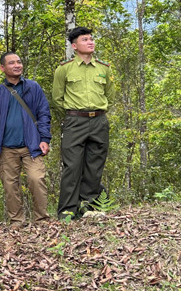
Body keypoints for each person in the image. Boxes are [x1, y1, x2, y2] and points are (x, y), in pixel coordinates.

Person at [52, 27, 114, 219]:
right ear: (74, 46)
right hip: (74, 121)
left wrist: (98, 112)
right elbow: (57, 98)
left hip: (99, 121)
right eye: (85, 39)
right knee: (72, 166)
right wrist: (74, 113)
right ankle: (68, 211)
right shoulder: (64, 69)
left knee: (95, 165)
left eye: (91, 39)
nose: (90, 42)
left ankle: (89, 207)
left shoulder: (104, 68)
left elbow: (110, 96)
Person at [0, 52, 52, 224]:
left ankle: (42, 220)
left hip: (32, 146)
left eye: (19, 62)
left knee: (36, 179)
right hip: (6, 147)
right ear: (2, 68)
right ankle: (17, 222)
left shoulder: (33, 87)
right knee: (10, 185)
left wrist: (45, 138)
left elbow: (44, 113)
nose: (17, 65)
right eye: (12, 63)